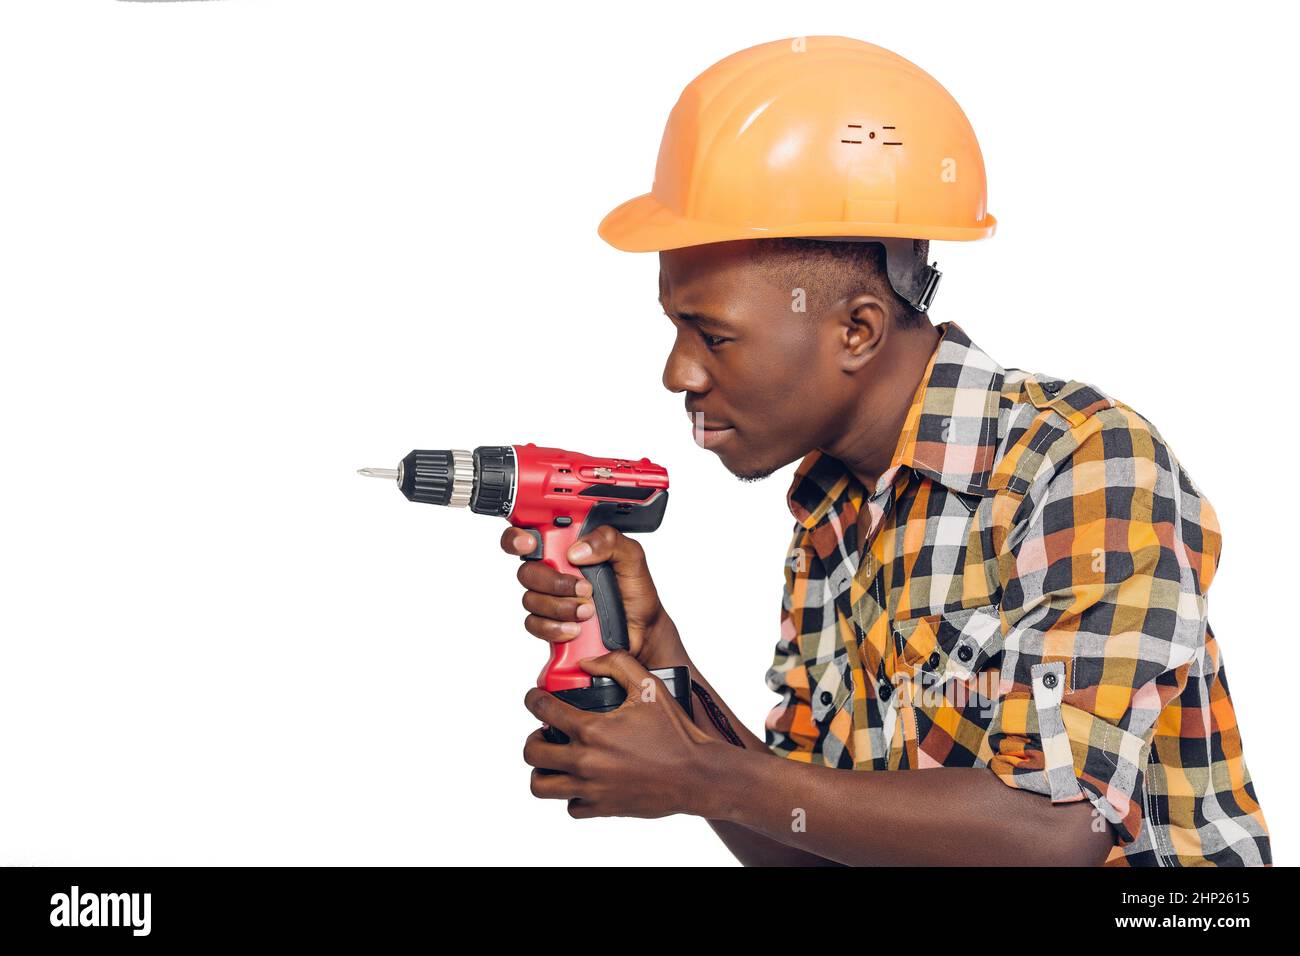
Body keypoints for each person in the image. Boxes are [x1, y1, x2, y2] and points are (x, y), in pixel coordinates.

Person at [507, 36, 1270, 866]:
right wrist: (666, 659)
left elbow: (1055, 833)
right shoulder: (828, 515)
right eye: (674, 328)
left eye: (713, 334)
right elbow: (805, 842)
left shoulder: (1084, 463)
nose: (677, 372)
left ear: (857, 330)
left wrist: (703, 778)